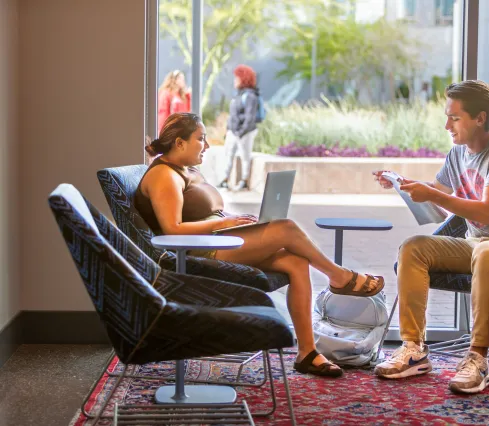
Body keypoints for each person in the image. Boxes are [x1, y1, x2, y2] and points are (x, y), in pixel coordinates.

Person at [135, 112, 385, 377]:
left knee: (296, 262)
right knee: (286, 228)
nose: (207, 146)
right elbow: (172, 230)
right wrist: (223, 224)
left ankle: (307, 353)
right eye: (201, 139)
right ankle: (339, 276)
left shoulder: (186, 170)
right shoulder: (164, 175)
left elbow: (201, 214)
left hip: (219, 240)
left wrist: (235, 221)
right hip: (199, 251)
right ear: (180, 143)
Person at [373, 80, 489, 394]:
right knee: (413, 248)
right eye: (447, 116)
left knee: (487, 252)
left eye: (455, 117)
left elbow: (487, 213)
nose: (446, 124)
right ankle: (414, 350)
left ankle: (477, 358)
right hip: (475, 245)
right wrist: (404, 184)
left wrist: (431, 194)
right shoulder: (457, 154)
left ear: (480, 118)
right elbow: (439, 198)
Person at [218, 65, 261, 191]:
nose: (234, 81)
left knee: (245, 156)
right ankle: (225, 179)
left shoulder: (250, 96)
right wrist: (229, 129)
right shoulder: (238, 95)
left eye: (237, 78)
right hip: (234, 131)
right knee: (228, 154)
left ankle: (244, 180)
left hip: (245, 132)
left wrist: (241, 132)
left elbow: (249, 117)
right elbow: (233, 115)